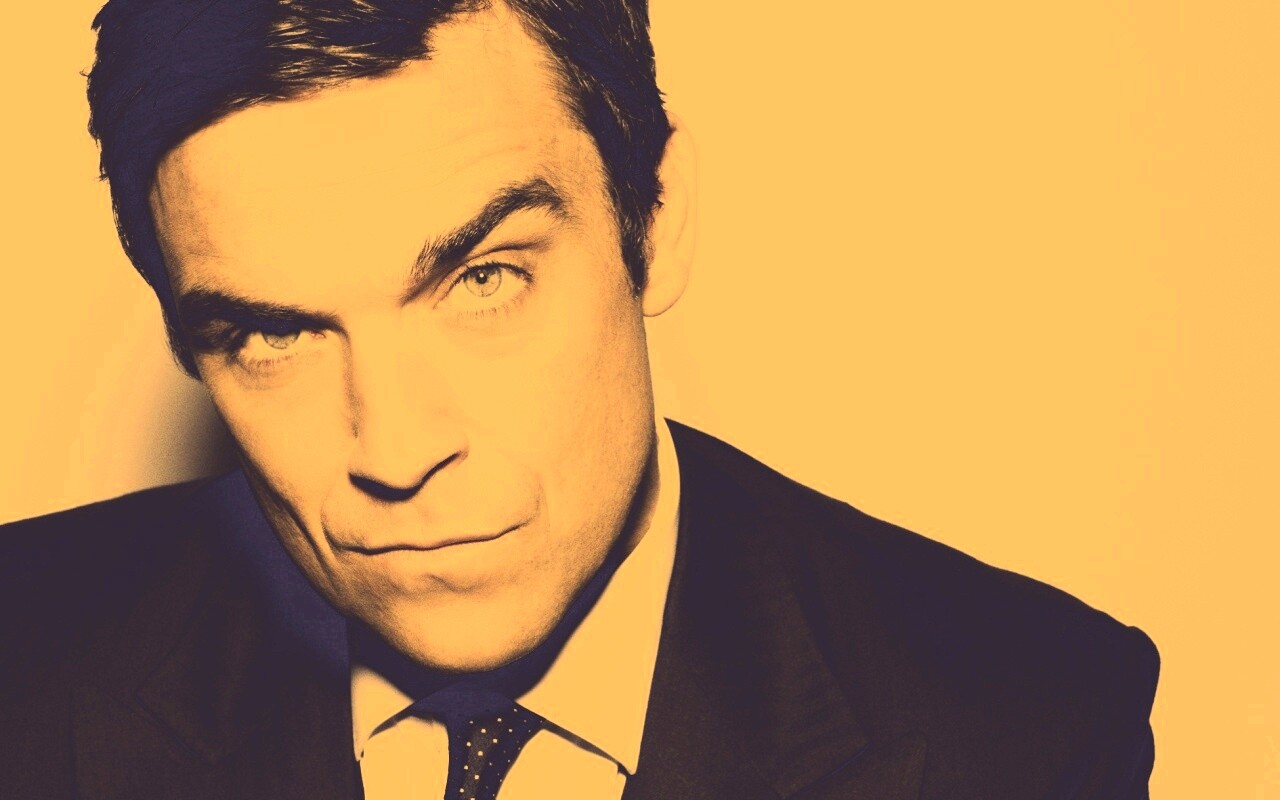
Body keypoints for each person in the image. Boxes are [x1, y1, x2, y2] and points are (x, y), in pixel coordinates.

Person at [0, 0, 1159, 797]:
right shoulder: (25, 659)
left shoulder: (1022, 721)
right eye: (273, 333)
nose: (394, 448)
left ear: (655, 219)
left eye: (483, 278)